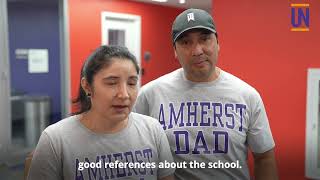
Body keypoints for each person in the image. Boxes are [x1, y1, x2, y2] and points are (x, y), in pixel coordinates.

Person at [134, 8, 278, 180]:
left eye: (204, 39)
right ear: (175, 50)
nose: (197, 51)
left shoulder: (247, 95)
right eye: (186, 42)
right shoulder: (150, 95)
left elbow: (265, 158)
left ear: (217, 43)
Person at [27, 45, 175, 180]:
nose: (124, 94)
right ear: (87, 86)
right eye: (111, 83)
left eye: (131, 83)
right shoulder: (55, 139)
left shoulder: (153, 129)